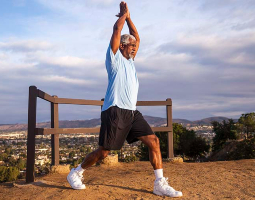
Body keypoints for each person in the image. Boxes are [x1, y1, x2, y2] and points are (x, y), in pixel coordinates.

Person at [67, 1, 183, 198]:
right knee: (104, 152)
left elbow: (137, 36)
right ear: (122, 46)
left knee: (154, 141)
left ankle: (159, 183)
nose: (135, 48)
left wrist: (129, 17)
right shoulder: (114, 58)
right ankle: (76, 172)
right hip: (114, 110)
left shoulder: (131, 61)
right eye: (132, 46)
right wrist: (123, 17)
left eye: (135, 47)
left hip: (131, 112)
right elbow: (116, 29)